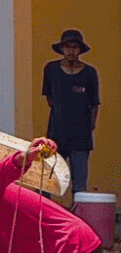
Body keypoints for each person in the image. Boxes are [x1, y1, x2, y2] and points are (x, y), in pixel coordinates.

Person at [42, 29, 100, 195]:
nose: (71, 50)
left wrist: (89, 126)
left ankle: (78, 219)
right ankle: (42, 218)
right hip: (55, 134)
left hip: (81, 137)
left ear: (80, 49)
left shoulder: (90, 73)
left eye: (75, 47)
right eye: (68, 46)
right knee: (46, 181)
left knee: (79, 186)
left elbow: (94, 103)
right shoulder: (51, 69)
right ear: (62, 49)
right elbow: (50, 99)